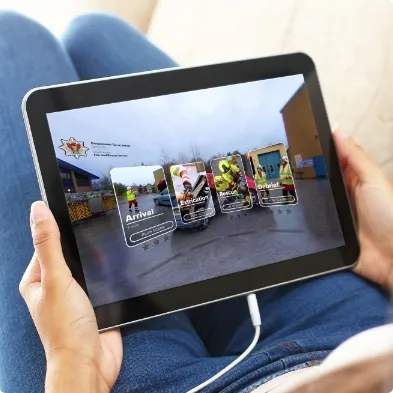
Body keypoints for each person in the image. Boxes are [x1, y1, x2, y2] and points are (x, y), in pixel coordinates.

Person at [0, 11, 392, 393]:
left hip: (123, 372)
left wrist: (73, 361)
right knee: (94, 29)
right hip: (361, 335)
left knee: (14, 32)